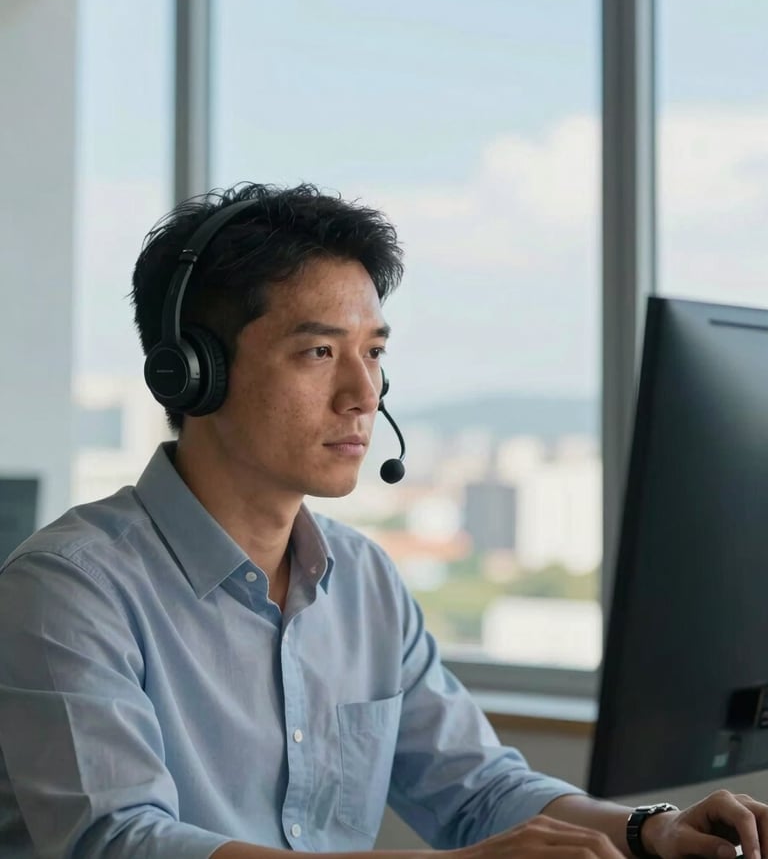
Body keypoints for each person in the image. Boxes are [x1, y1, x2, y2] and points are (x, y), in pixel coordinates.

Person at [0, 182, 764, 859]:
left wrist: (649, 830)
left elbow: (477, 788)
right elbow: (121, 842)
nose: (364, 392)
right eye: (319, 353)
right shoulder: (68, 588)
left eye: (373, 352)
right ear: (194, 370)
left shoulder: (361, 580)